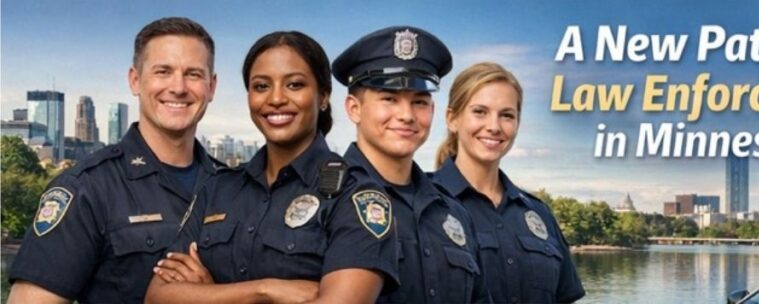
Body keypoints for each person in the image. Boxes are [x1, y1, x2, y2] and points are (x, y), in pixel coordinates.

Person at [145, 31, 398, 303]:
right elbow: (157, 297)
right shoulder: (217, 188)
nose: (275, 98)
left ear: (323, 96)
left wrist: (208, 294)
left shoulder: (354, 195)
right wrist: (266, 290)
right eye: (261, 86)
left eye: (295, 85)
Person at [6, 17, 221, 304]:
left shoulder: (234, 187)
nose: (178, 87)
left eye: (193, 74)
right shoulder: (86, 189)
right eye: (163, 71)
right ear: (135, 80)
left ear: (212, 86)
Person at [332, 25, 488, 303]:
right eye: (389, 99)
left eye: (419, 102)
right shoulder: (323, 197)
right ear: (354, 108)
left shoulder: (453, 212)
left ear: (432, 111)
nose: (406, 115)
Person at [432, 62, 585, 303]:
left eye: (506, 115)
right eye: (480, 112)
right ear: (452, 119)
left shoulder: (539, 213)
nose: (494, 127)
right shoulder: (420, 203)